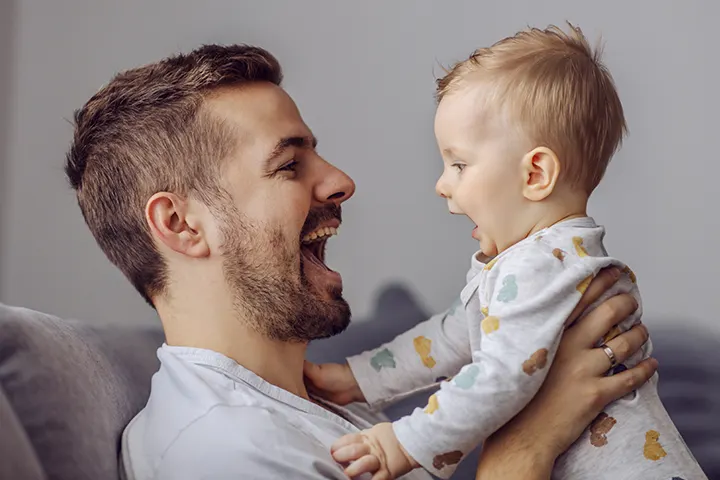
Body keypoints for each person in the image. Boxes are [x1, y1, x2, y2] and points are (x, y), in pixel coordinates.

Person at [64, 44, 657, 480]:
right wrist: (526, 444)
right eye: (289, 165)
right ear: (181, 225)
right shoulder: (221, 453)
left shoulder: (308, 406)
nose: (342, 182)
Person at [304, 24, 706, 480]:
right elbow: (450, 336)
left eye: (458, 164)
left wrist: (406, 442)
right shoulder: (533, 262)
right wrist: (358, 380)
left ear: (535, 174)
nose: (441, 185)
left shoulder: (544, 266)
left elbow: (501, 379)